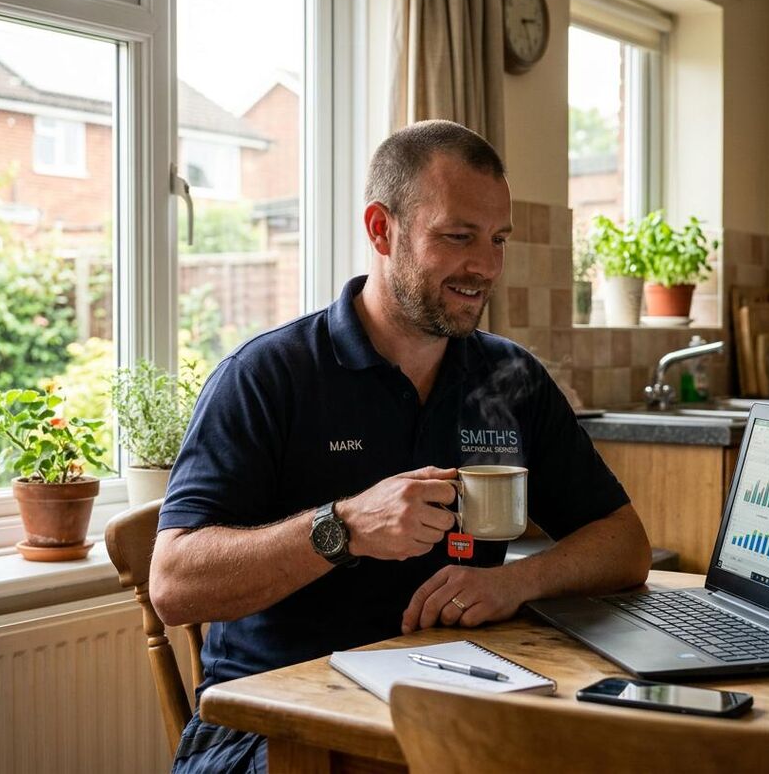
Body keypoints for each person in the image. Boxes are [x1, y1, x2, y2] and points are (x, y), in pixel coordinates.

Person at [150, 120, 651, 773]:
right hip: (270, 731)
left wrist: (515, 581)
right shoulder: (269, 377)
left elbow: (625, 542)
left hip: (449, 704)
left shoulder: (510, 378)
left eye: (497, 240)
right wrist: (344, 525)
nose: (487, 267)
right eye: (458, 236)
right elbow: (172, 582)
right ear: (382, 230)